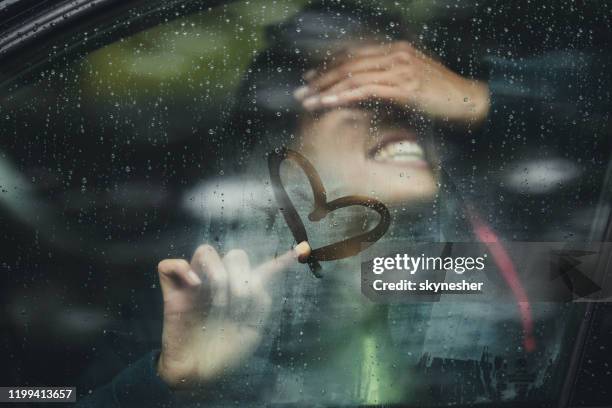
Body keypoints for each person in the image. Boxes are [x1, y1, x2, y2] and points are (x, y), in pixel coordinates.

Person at [79, 2, 567, 406]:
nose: (403, 104)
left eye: (416, 82)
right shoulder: (199, 290)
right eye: (358, 85)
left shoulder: (506, 265)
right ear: (283, 155)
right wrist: (170, 383)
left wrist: (487, 99)